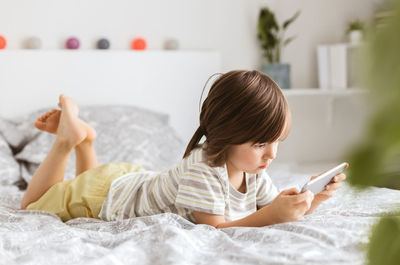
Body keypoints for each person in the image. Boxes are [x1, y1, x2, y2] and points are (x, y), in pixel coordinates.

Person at [21, 70, 346, 228]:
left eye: (276, 142)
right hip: (105, 195)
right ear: (228, 133)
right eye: (261, 144)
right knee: (32, 204)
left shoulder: (253, 170)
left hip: (127, 180)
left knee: (85, 181)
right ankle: (65, 142)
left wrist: (312, 198)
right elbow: (216, 229)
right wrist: (272, 214)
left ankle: (87, 141)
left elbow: (274, 209)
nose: (271, 155)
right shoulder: (204, 170)